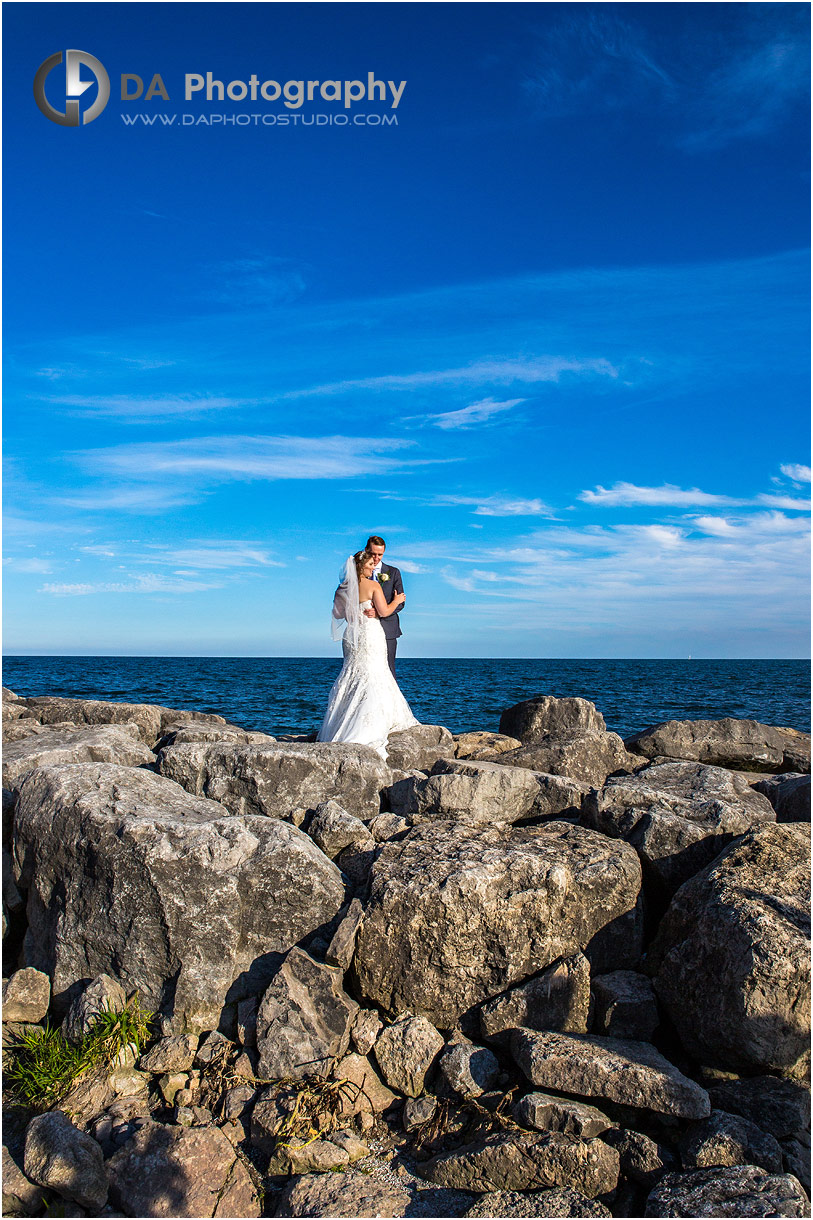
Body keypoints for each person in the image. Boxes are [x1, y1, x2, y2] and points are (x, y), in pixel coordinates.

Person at [317, 548, 418, 758]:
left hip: (351, 635)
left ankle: (342, 724)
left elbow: (337, 613)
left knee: (353, 672)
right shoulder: (372, 585)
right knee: (375, 672)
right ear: (362, 566)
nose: (374, 567)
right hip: (370, 633)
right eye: (370, 564)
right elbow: (384, 612)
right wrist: (397, 601)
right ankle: (368, 725)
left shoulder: (341, 588)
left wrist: (353, 611)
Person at [361, 534, 405, 678]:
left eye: (380, 554)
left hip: (388, 629)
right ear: (366, 550)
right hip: (365, 628)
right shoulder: (359, 574)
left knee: (388, 670)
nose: (376, 558)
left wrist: (379, 612)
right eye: (373, 554)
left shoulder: (393, 572)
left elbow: (400, 602)